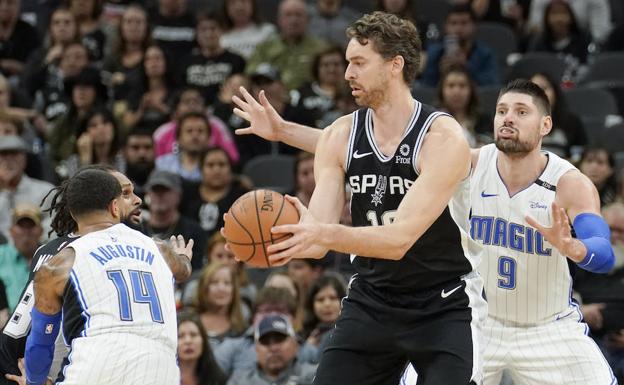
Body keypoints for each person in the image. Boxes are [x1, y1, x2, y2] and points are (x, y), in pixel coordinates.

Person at [230, 11, 486, 385]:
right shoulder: (340, 135)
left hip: (443, 304)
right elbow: (315, 243)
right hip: (372, 299)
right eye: (348, 62)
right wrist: (279, 237)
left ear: (395, 65)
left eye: (359, 63)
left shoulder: (442, 138)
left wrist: (322, 234)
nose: (347, 73)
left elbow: (398, 240)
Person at [18, 169, 192, 385]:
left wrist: (34, 381)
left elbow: (40, 345)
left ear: (72, 213)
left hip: (96, 366)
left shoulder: (57, 265)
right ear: (115, 206)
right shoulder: (160, 249)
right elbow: (183, 270)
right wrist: (183, 257)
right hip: (159, 370)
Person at [0, 165, 145, 384]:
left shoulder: (55, 248)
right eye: (125, 193)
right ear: (104, 202)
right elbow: (30, 328)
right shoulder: (85, 253)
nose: (137, 200)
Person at [226, 313, 316, 385]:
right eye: (265, 342)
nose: (273, 348)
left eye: (279, 340)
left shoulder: (315, 376)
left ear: (295, 344)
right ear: (256, 349)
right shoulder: (240, 381)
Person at [0, 204, 43, 312]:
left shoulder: (51, 258)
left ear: (41, 231)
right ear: (11, 230)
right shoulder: (1, 255)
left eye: (31, 226)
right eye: (21, 226)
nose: (26, 231)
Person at [177, 311, 227, 385]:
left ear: (203, 340)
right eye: (180, 336)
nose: (188, 341)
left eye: (193, 335)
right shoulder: (162, 376)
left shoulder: (216, 379)